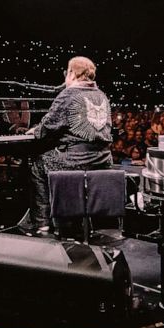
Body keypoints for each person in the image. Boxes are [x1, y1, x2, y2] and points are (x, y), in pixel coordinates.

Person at [21, 56, 113, 234]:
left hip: (76, 161)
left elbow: (47, 128)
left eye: (67, 72)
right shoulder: (102, 95)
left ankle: (41, 223)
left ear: (72, 72)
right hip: (103, 159)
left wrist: (35, 130)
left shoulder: (69, 94)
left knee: (37, 162)